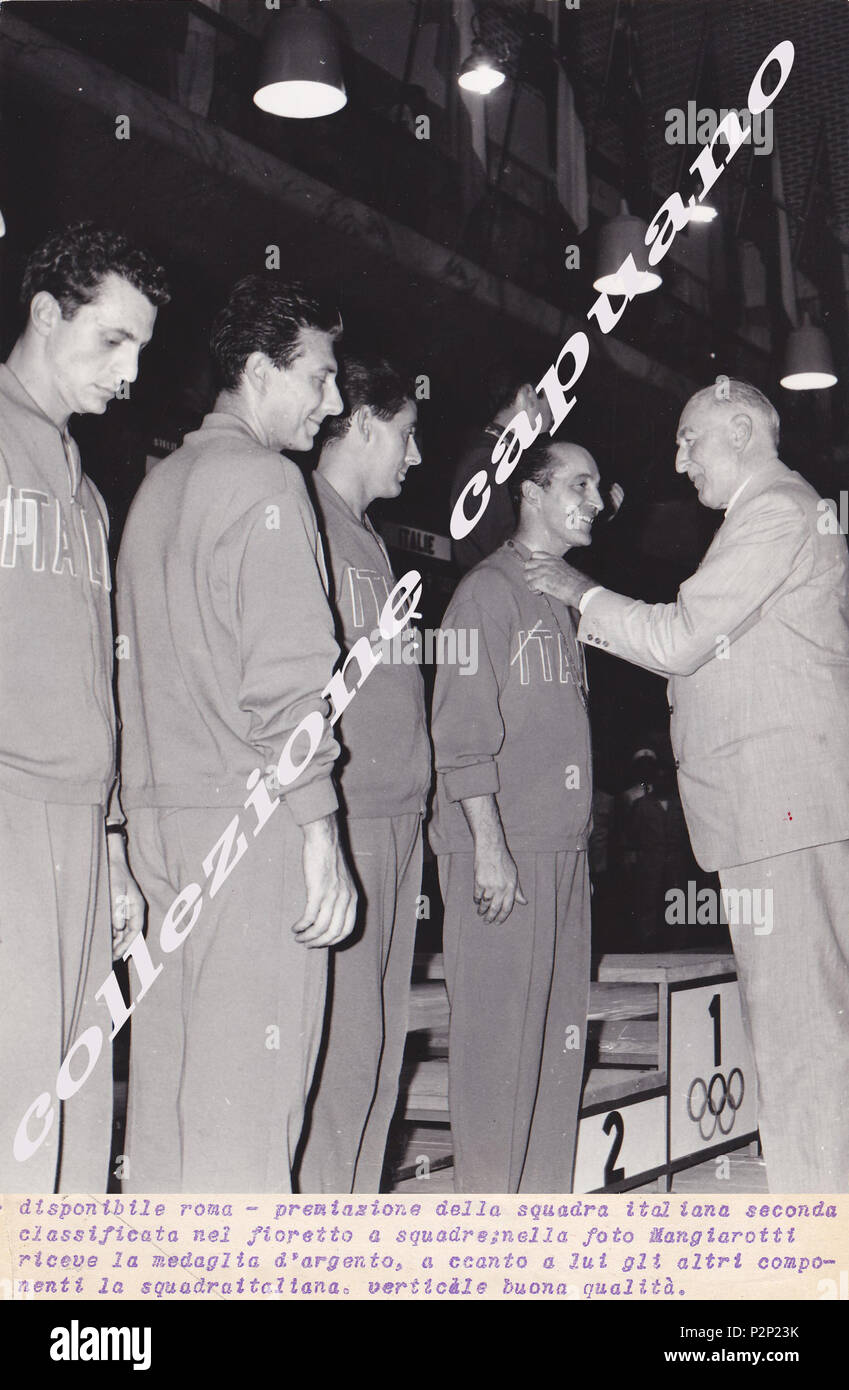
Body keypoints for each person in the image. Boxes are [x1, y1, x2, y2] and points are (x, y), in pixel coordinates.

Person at [526, 376, 849, 1192]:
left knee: (794, 1026)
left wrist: (579, 594)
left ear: (740, 429)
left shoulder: (774, 510)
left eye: (687, 439)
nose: (677, 461)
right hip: (785, 805)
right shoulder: (775, 513)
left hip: (777, 807)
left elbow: (680, 639)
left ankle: (815, 1231)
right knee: (805, 1016)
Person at [116, 275, 357, 1192]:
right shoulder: (267, 482)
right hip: (250, 828)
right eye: (320, 379)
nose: (331, 405)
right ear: (258, 370)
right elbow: (291, 684)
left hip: (160, 834)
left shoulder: (157, 489)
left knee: (176, 1111)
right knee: (254, 1113)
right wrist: (320, 833)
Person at [0, 221, 169, 1191]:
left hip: (77, 826)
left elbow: (93, 685)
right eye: (114, 340)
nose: (133, 373)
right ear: (44, 314)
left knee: (76, 1102)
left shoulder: (92, 495)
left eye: (143, 348)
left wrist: (112, 850)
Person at [430, 437, 603, 1192]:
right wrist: (490, 848)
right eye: (580, 484)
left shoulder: (561, 597)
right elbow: (459, 734)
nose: (595, 502)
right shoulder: (482, 593)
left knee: (554, 1061)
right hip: (503, 854)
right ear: (529, 493)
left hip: (559, 854)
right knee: (496, 1061)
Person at [298, 356, 431, 1192]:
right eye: (407, 437)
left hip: (395, 815)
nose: (414, 459)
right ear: (368, 423)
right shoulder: (302, 519)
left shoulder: (366, 538)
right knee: (341, 1056)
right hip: (346, 819)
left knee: (379, 1052)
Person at [449, 367, 554, 573]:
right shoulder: (489, 462)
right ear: (528, 396)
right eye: (553, 403)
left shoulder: (495, 456)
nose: (553, 419)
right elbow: (511, 551)